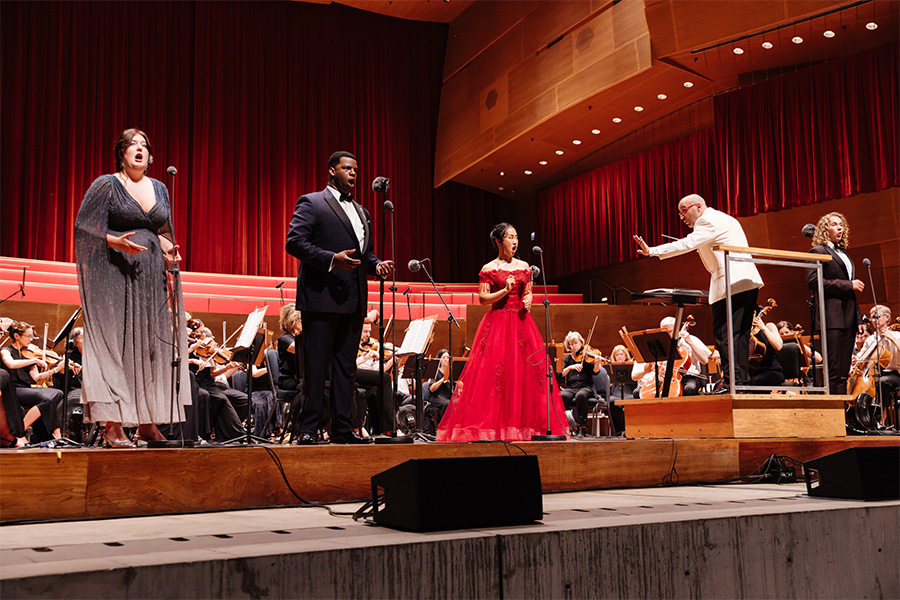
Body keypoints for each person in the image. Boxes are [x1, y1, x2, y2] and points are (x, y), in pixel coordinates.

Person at [74, 128, 191, 446]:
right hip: (116, 274)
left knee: (152, 348)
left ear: (149, 156)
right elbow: (83, 228)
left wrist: (169, 247)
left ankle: (147, 424)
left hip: (151, 278)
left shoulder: (160, 188)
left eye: (144, 145)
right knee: (121, 346)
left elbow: (163, 229)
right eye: (132, 144)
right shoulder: (106, 184)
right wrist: (115, 241)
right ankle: (112, 425)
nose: (139, 149)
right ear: (121, 153)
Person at [285, 151, 392, 445]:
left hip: (353, 301)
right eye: (347, 168)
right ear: (332, 171)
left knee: (347, 368)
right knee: (317, 366)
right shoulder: (312, 202)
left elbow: (365, 255)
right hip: (321, 298)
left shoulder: (363, 212)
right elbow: (294, 242)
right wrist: (332, 258)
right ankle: (307, 428)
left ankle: (343, 428)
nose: (353, 173)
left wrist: (376, 266)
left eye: (355, 169)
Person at [436, 223, 569, 442]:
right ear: (499, 242)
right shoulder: (489, 268)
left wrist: (528, 301)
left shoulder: (524, 266)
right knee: (497, 376)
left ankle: (523, 427)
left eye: (516, 237)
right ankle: (496, 428)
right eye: (510, 237)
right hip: (498, 323)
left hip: (521, 323)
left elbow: (528, 292)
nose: (514, 241)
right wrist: (505, 291)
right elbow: (483, 299)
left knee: (525, 375)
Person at [634, 194, 763, 392]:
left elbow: (686, 244)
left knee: (724, 335)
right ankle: (740, 383)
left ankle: (733, 384)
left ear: (699, 206)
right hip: (747, 281)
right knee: (740, 336)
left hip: (730, 283)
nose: (681, 217)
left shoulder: (706, 221)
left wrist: (652, 251)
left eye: (684, 211)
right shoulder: (725, 218)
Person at [806, 212, 864, 394]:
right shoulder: (817, 251)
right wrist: (848, 285)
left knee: (844, 372)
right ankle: (830, 409)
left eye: (841, 224)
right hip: (831, 317)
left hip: (848, 317)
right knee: (834, 369)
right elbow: (813, 282)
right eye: (834, 224)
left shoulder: (843, 253)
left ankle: (842, 410)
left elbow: (851, 292)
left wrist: (858, 319)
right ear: (825, 229)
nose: (840, 228)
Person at [0, 321, 63, 442]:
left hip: (26, 389)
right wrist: (34, 360)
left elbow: (37, 378)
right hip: (12, 390)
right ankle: (20, 431)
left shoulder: (28, 354)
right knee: (47, 399)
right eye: (28, 336)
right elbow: (11, 364)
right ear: (17, 336)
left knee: (58, 393)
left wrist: (55, 370)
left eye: (32, 336)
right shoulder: (6, 351)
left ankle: (45, 434)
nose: (31, 339)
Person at [856, 305, 900, 416]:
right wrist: (854, 358)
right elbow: (860, 357)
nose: (873, 320)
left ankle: (881, 415)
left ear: (887, 317)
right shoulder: (871, 339)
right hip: (875, 374)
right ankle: (863, 417)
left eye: (876, 317)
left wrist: (892, 338)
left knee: (882, 382)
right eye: (872, 318)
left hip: (895, 374)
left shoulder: (897, 336)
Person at [560, 331, 601, 437]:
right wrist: (570, 367)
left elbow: (595, 372)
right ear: (568, 345)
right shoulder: (567, 359)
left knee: (581, 395)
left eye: (576, 343)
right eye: (571, 344)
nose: (574, 346)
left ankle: (582, 427)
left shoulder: (587, 357)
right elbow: (561, 374)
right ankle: (569, 424)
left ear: (581, 343)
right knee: (562, 395)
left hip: (586, 387)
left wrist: (597, 363)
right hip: (571, 387)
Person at [748, 310, 785, 388]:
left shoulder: (769, 326)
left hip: (772, 370)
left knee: (754, 382)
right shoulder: (746, 333)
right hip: (753, 371)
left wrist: (763, 328)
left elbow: (778, 346)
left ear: (754, 313)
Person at [425, 349, 455, 431]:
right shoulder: (436, 371)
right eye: (443, 357)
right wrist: (443, 379)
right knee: (447, 403)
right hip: (436, 397)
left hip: (447, 396)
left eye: (447, 358)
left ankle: (456, 426)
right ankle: (444, 427)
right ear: (440, 359)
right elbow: (432, 389)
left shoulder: (452, 372)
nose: (446, 359)